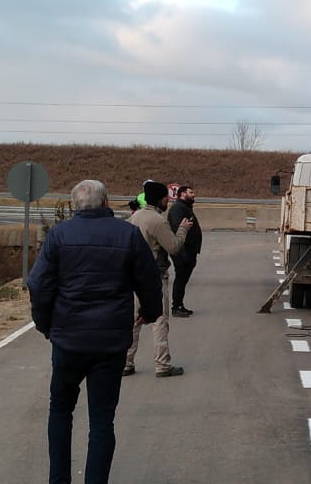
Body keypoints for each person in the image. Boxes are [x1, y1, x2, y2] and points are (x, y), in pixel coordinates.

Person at [26, 179, 162, 484]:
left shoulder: (59, 235)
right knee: (102, 419)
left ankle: (58, 480)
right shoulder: (127, 234)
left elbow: (38, 285)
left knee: (60, 410)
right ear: (106, 203)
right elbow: (149, 279)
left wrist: (45, 324)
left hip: (68, 340)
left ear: (75, 206)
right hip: (110, 343)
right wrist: (150, 313)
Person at [125, 180, 192, 378]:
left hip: (134, 276)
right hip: (154, 276)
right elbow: (173, 246)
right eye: (166, 199)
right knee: (160, 321)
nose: (167, 203)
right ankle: (163, 365)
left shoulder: (134, 218)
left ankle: (126, 363)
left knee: (134, 321)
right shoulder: (157, 220)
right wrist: (183, 230)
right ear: (161, 199)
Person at [167, 184, 203, 317]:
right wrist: (183, 252)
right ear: (182, 194)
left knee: (182, 279)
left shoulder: (185, 207)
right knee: (180, 279)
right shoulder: (178, 208)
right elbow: (178, 229)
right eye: (191, 192)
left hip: (188, 251)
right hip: (183, 251)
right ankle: (176, 307)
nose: (193, 195)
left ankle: (179, 304)